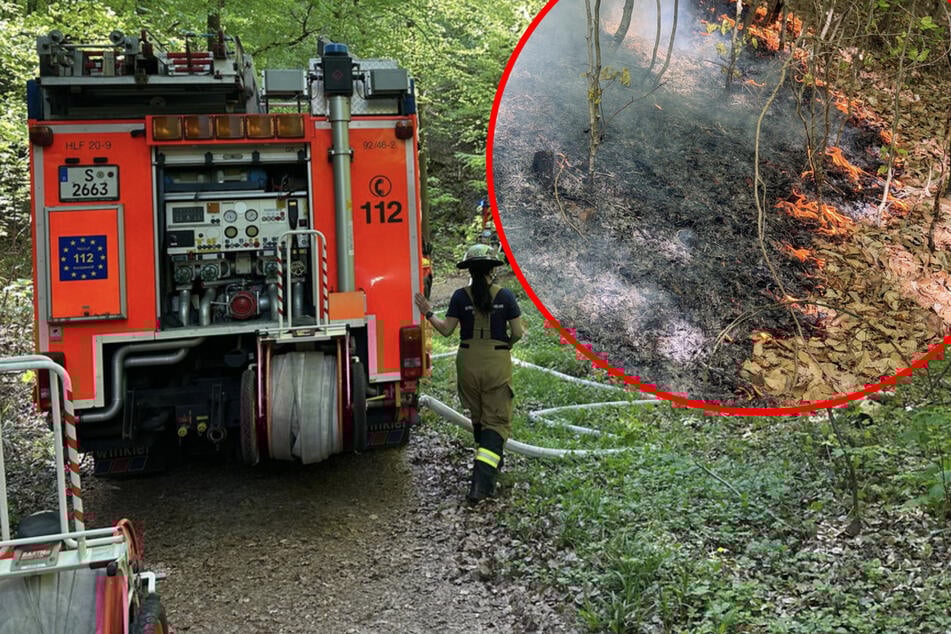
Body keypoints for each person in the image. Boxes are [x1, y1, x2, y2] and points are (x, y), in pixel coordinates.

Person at [414, 244, 525, 503]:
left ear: (470, 270)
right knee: (496, 421)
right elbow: (518, 332)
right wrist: (507, 345)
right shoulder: (506, 296)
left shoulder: (459, 297)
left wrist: (428, 311)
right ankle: (480, 485)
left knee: (479, 416)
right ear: (492, 271)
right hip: (496, 361)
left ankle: (491, 462)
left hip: (467, 362)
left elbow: (445, 330)